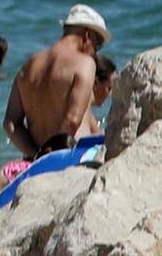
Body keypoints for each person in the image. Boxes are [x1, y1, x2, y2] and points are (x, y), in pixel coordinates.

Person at [8, 8, 111, 159]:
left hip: (33, 161)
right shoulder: (84, 63)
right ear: (87, 35)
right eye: (97, 45)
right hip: (69, 158)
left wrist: (37, 155)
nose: (95, 53)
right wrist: (53, 156)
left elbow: (10, 123)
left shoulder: (28, 65)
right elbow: (72, 120)